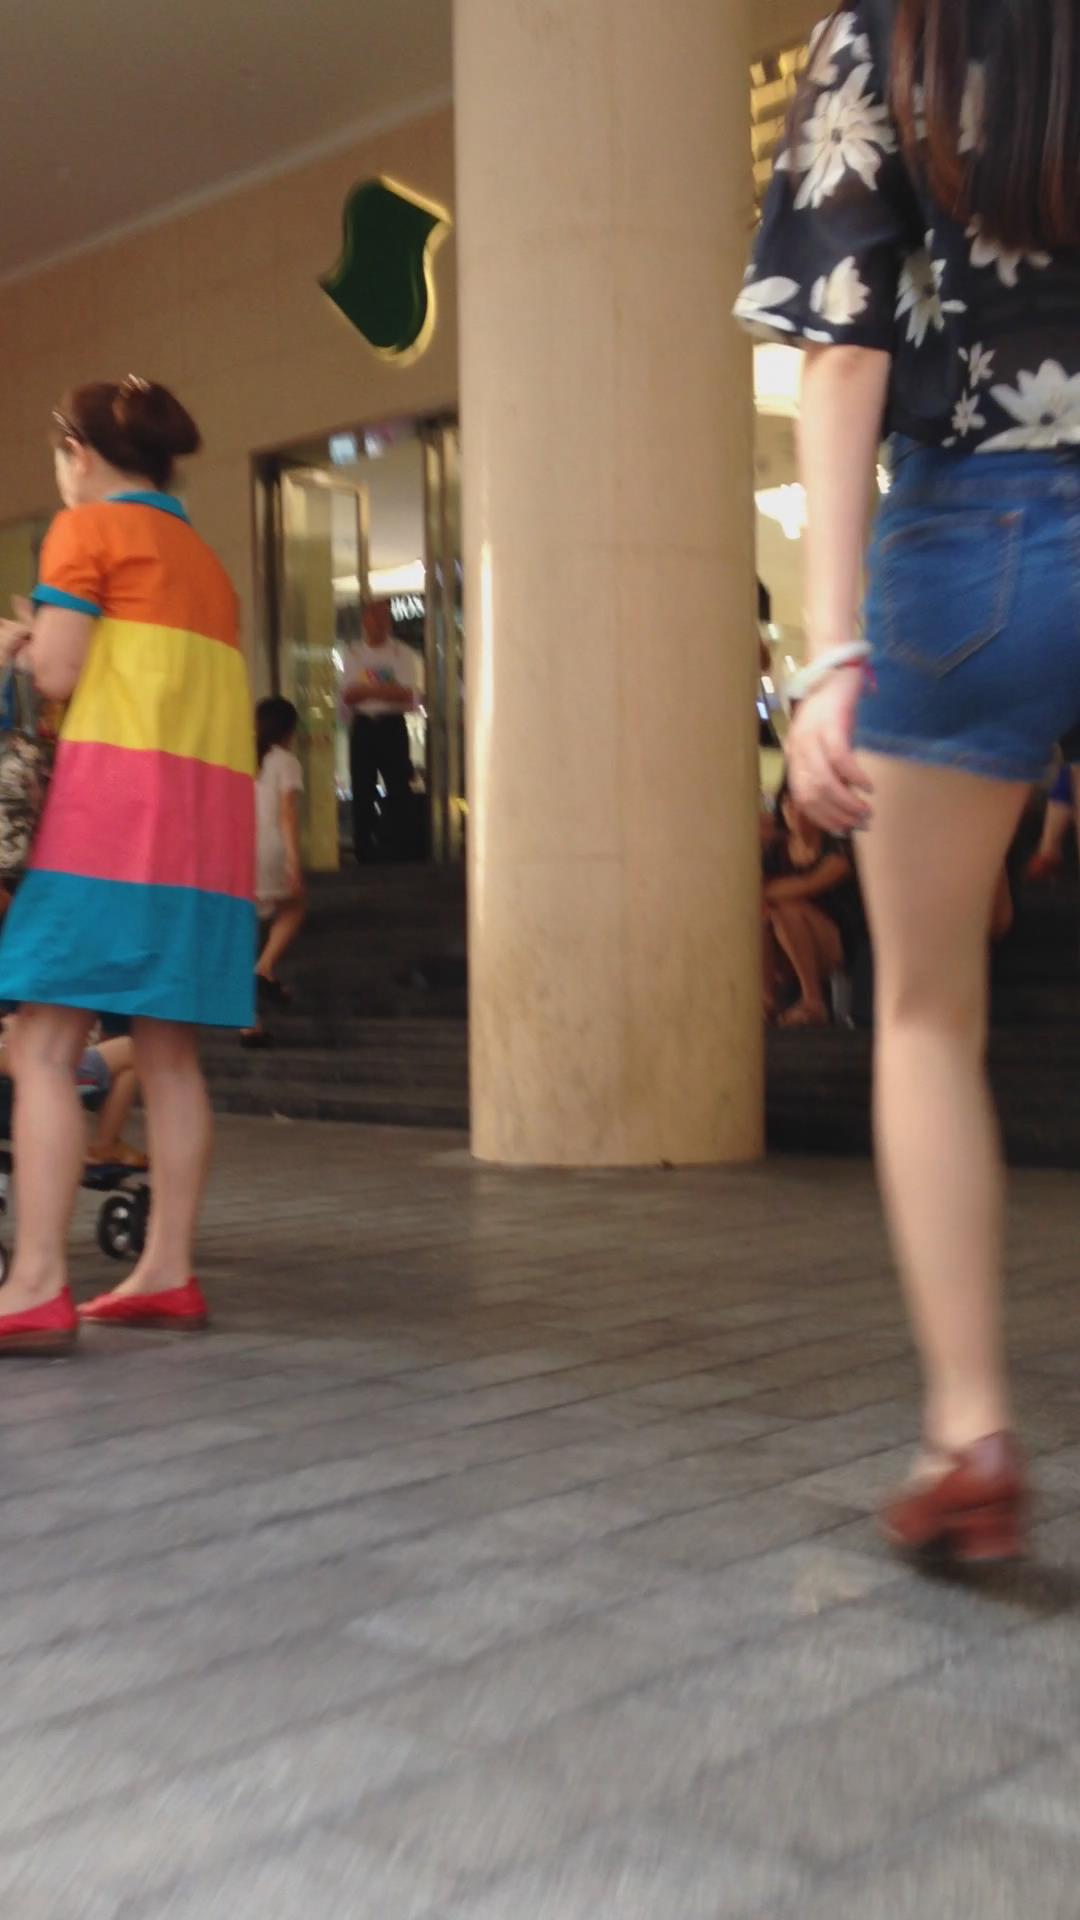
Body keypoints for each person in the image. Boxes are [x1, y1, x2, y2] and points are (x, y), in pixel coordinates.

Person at [736, 0, 1080, 1564]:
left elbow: (842, 349)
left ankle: (971, 1432)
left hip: (974, 534)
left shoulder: (887, 35)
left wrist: (831, 652)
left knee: (931, 1012)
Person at [0, 376, 255, 1352]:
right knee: (169, 1056)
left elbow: (61, 672)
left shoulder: (86, 530)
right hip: (202, 834)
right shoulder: (204, 562)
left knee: (41, 1044)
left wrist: (22, 646)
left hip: (109, 823)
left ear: (80, 451)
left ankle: (34, 1283)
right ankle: (166, 1272)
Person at [763, 780, 861, 1026]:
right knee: (762, 913)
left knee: (788, 910)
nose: (794, 810)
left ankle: (813, 1000)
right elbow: (757, 893)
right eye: (788, 802)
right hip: (783, 944)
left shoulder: (838, 852)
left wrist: (772, 892)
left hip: (833, 945)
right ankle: (766, 998)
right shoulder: (776, 850)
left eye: (801, 803)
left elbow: (807, 885)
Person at [243, 696, 305, 1047]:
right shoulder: (286, 762)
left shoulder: (242, 759)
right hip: (270, 850)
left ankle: (248, 1023)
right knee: (294, 907)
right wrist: (294, 860)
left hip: (239, 851)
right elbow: (287, 815)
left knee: (244, 931)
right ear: (289, 730)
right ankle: (264, 967)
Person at [0, 1021, 146, 1169]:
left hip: (28, 1064)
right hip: (41, 1072)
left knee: (127, 1061)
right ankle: (105, 1145)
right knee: (133, 1050)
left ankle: (107, 1140)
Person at [343, 600, 419, 862]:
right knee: (362, 787)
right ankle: (364, 850)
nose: (379, 623)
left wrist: (367, 689)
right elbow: (349, 695)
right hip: (363, 726)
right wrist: (385, 689)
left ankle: (400, 849)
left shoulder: (402, 653)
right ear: (364, 621)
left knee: (398, 786)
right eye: (374, 617)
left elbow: (407, 694)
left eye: (384, 618)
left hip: (392, 726)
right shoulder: (352, 653)